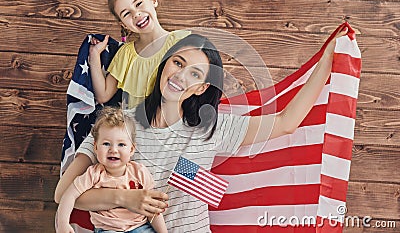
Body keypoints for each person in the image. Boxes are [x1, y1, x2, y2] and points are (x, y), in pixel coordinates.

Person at [55, 28, 348, 232]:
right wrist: (125, 199)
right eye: (177, 63)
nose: (180, 76)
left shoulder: (212, 128)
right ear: (164, 65)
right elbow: (63, 194)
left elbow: (286, 123)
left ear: (202, 86)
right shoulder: (119, 124)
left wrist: (327, 60)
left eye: (194, 73)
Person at [56, 107, 167, 233]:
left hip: (140, 227)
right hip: (108, 229)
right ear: (96, 148)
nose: (113, 150)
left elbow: (152, 208)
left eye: (121, 144)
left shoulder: (139, 172)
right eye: (106, 144)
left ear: (131, 150)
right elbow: (68, 196)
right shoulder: (93, 174)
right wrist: (63, 223)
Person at [89, 0, 190, 108]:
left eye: (138, 4)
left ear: (153, 0)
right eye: (126, 13)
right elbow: (103, 95)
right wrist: (94, 55)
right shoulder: (126, 55)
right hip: (137, 127)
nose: (136, 14)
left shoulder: (183, 41)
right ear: (123, 24)